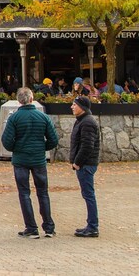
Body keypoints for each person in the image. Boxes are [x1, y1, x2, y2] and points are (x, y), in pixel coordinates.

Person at [1, 87, 58, 238]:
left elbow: (6, 141)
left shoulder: (14, 118)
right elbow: (53, 139)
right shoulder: (43, 117)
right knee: (43, 192)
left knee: (24, 193)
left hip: (21, 160)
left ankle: (31, 227)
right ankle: (49, 227)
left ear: (19, 101)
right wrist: (42, 148)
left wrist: (17, 148)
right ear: (32, 99)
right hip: (39, 159)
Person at [70, 96, 100, 237]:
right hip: (84, 164)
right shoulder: (82, 121)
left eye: (74, 105)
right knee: (87, 194)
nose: (72, 107)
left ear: (82, 107)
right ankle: (90, 224)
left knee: (89, 195)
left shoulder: (87, 122)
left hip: (86, 165)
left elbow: (87, 146)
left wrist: (77, 163)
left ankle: (93, 227)